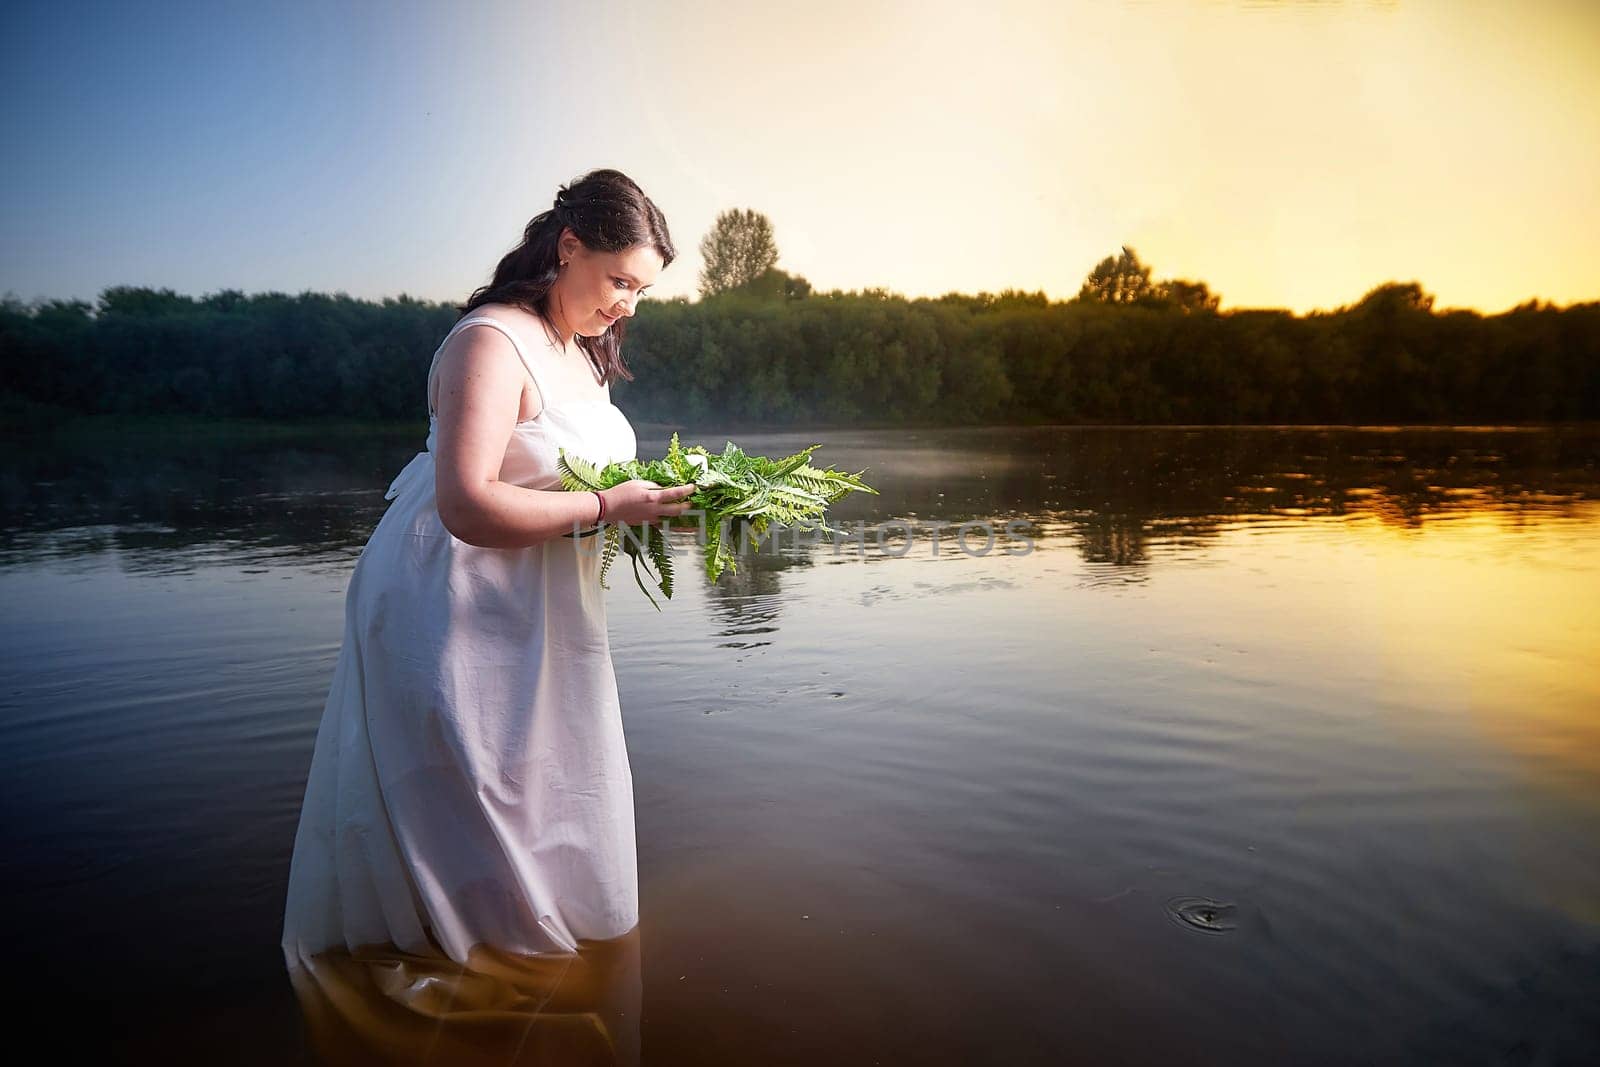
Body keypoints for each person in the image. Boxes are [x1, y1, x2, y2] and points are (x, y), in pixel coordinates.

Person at [280, 168, 696, 969]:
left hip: (542, 607)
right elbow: (468, 504)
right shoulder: (489, 341)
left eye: (642, 290)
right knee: (477, 800)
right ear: (568, 247)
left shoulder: (580, 350)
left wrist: (674, 502)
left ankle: (536, 981)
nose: (628, 306)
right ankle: (471, 969)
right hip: (452, 604)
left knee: (548, 789)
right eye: (619, 280)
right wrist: (613, 510)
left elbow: (568, 482)